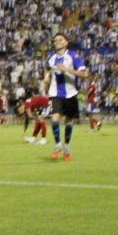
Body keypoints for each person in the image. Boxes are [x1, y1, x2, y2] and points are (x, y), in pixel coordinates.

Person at [43, 33, 88, 161]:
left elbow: (84, 74)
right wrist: (46, 77)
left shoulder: (73, 56)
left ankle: (66, 146)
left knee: (69, 121)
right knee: (55, 118)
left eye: (60, 40)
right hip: (55, 94)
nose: (57, 42)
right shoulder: (51, 57)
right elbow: (47, 70)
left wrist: (67, 70)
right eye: (55, 40)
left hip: (70, 94)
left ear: (66, 42)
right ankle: (58, 145)